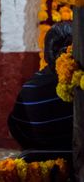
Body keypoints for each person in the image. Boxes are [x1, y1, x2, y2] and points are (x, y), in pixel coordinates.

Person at [7, 21, 73, 150]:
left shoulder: (30, 89)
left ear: (47, 53)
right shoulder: (79, 83)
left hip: (40, 157)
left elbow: (18, 130)